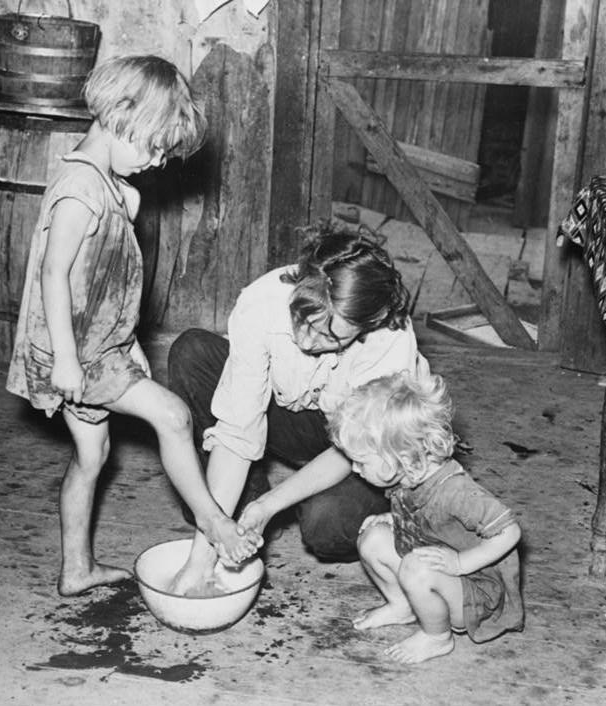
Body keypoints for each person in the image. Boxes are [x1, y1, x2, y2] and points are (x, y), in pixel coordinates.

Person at [6, 55, 260, 597]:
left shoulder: (120, 190)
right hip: (71, 353)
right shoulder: (80, 191)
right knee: (172, 416)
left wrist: (129, 348)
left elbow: (112, 283)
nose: (156, 161)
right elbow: (53, 274)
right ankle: (214, 522)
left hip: (101, 346)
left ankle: (76, 569)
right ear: (122, 113)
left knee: (92, 457)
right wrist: (71, 360)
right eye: (153, 146)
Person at [168, 226, 430, 591]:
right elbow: (237, 429)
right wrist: (203, 552)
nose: (306, 341)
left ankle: (382, 517)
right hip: (303, 419)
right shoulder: (265, 300)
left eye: (330, 336)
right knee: (192, 353)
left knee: (326, 523)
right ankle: (245, 497)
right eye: (302, 321)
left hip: (363, 449)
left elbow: (350, 450)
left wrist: (270, 507)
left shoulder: (388, 343)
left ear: (367, 326)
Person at [327, 371, 523, 664]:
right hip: (438, 565)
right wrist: (394, 519)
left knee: (415, 567)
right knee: (372, 539)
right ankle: (402, 605)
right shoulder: (408, 474)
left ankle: (437, 637)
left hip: (477, 591)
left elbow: (510, 532)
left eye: (361, 461)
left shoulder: (455, 490)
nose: (354, 469)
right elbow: (426, 517)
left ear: (401, 456)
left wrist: (460, 563)